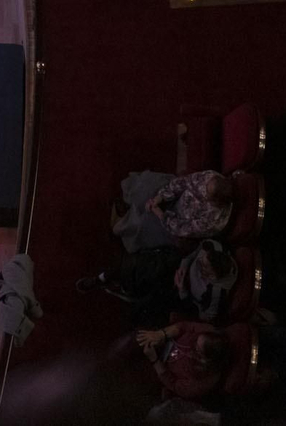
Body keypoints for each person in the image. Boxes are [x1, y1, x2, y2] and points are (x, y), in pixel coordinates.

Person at [77, 240, 238, 323]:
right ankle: (102, 278)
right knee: (142, 264)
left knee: (150, 299)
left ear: (212, 276)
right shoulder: (212, 246)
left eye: (204, 268)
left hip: (182, 293)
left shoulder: (217, 294)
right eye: (202, 261)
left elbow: (205, 317)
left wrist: (182, 289)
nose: (200, 263)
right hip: (178, 266)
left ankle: (127, 291)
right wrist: (182, 269)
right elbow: (191, 256)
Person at [112, 169, 235, 252]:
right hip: (176, 197)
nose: (203, 190)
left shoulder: (213, 220)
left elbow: (182, 229)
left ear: (216, 201)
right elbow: (184, 182)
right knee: (147, 184)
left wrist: (159, 212)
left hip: (175, 226)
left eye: (207, 194)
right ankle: (129, 201)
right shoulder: (211, 177)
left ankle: (121, 224)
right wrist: (159, 198)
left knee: (143, 223)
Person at [135, 322, 226, 402]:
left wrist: (154, 360)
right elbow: (185, 326)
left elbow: (173, 384)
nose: (192, 345)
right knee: (137, 337)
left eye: (197, 348)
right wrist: (161, 334)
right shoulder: (210, 332)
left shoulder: (201, 382)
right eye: (196, 340)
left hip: (160, 365)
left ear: (206, 359)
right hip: (167, 339)